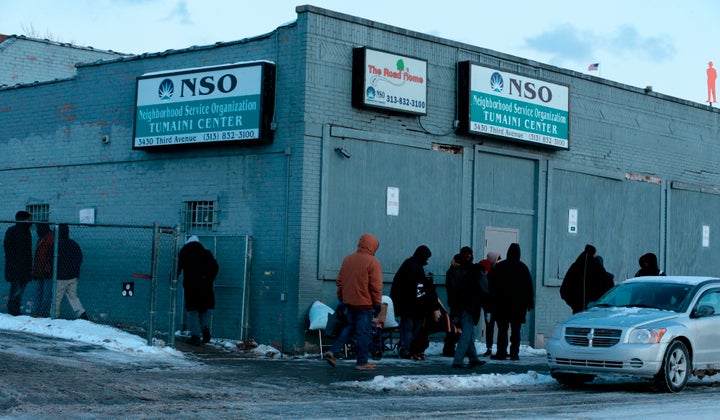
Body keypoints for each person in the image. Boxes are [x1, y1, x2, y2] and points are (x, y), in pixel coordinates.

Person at [324, 233, 383, 370]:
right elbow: (376, 286)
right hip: (365, 304)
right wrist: (377, 303)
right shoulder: (372, 262)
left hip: (349, 303)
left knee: (349, 328)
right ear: (373, 246)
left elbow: (340, 282)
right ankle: (362, 362)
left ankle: (334, 351)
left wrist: (342, 298)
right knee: (363, 333)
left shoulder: (347, 260)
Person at [488, 243, 533, 361]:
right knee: (516, 331)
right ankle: (514, 353)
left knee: (502, 330)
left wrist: (492, 302)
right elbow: (529, 287)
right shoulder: (523, 268)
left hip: (501, 305)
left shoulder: (500, 267)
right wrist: (529, 303)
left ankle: (501, 352)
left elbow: (492, 286)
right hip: (518, 306)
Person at [447, 247, 487, 369]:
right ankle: (458, 360)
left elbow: (454, 289)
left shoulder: (458, 271)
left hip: (461, 305)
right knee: (466, 334)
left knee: (469, 334)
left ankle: (473, 358)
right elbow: (485, 291)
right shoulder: (475, 273)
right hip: (469, 307)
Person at [390, 245, 433, 359]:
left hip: (406, 304)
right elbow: (420, 288)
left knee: (407, 327)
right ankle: (409, 349)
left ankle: (406, 348)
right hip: (415, 305)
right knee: (413, 328)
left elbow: (398, 284)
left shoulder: (407, 264)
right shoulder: (417, 268)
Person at [178, 235, 219, 345]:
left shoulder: (185, 252)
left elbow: (177, 266)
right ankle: (205, 332)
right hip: (205, 287)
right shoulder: (207, 253)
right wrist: (208, 279)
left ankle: (195, 336)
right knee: (203, 310)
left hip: (191, 286)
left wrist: (173, 278)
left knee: (192, 311)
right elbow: (215, 267)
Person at [560, 244, 613, 314]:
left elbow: (564, 290)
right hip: (596, 312)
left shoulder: (575, 268)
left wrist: (575, 304)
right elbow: (610, 291)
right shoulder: (599, 270)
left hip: (578, 311)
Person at [442, 246, 473, 357]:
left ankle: (450, 348)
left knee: (456, 326)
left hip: (457, 302)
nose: (468, 257)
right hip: (459, 303)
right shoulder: (460, 270)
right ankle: (450, 348)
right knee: (457, 327)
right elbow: (455, 288)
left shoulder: (455, 270)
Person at [55, 224, 88, 320]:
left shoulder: (57, 244)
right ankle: (81, 314)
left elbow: (51, 260)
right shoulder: (74, 244)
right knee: (73, 296)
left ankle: (54, 315)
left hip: (60, 276)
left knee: (57, 297)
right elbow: (80, 258)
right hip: (73, 275)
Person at [4, 211, 33, 316]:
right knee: (16, 290)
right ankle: (13, 310)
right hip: (18, 267)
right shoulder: (21, 232)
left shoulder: (18, 231)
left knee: (17, 290)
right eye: (28, 219)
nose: (30, 221)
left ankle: (14, 309)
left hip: (19, 267)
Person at [478, 251, 501, 357]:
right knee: (500, 327)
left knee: (489, 327)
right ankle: (499, 348)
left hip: (488, 305)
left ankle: (489, 348)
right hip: (496, 305)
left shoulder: (488, 273)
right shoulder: (498, 272)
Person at [32, 223, 54, 317]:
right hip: (40, 269)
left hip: (46, 269)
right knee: (40, 291)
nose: (37, 230)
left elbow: (51, 254)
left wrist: (48, 267)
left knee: (45, 292)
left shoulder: (49, 238)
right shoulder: (43, 237)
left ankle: (42, 313)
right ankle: (38, 312)